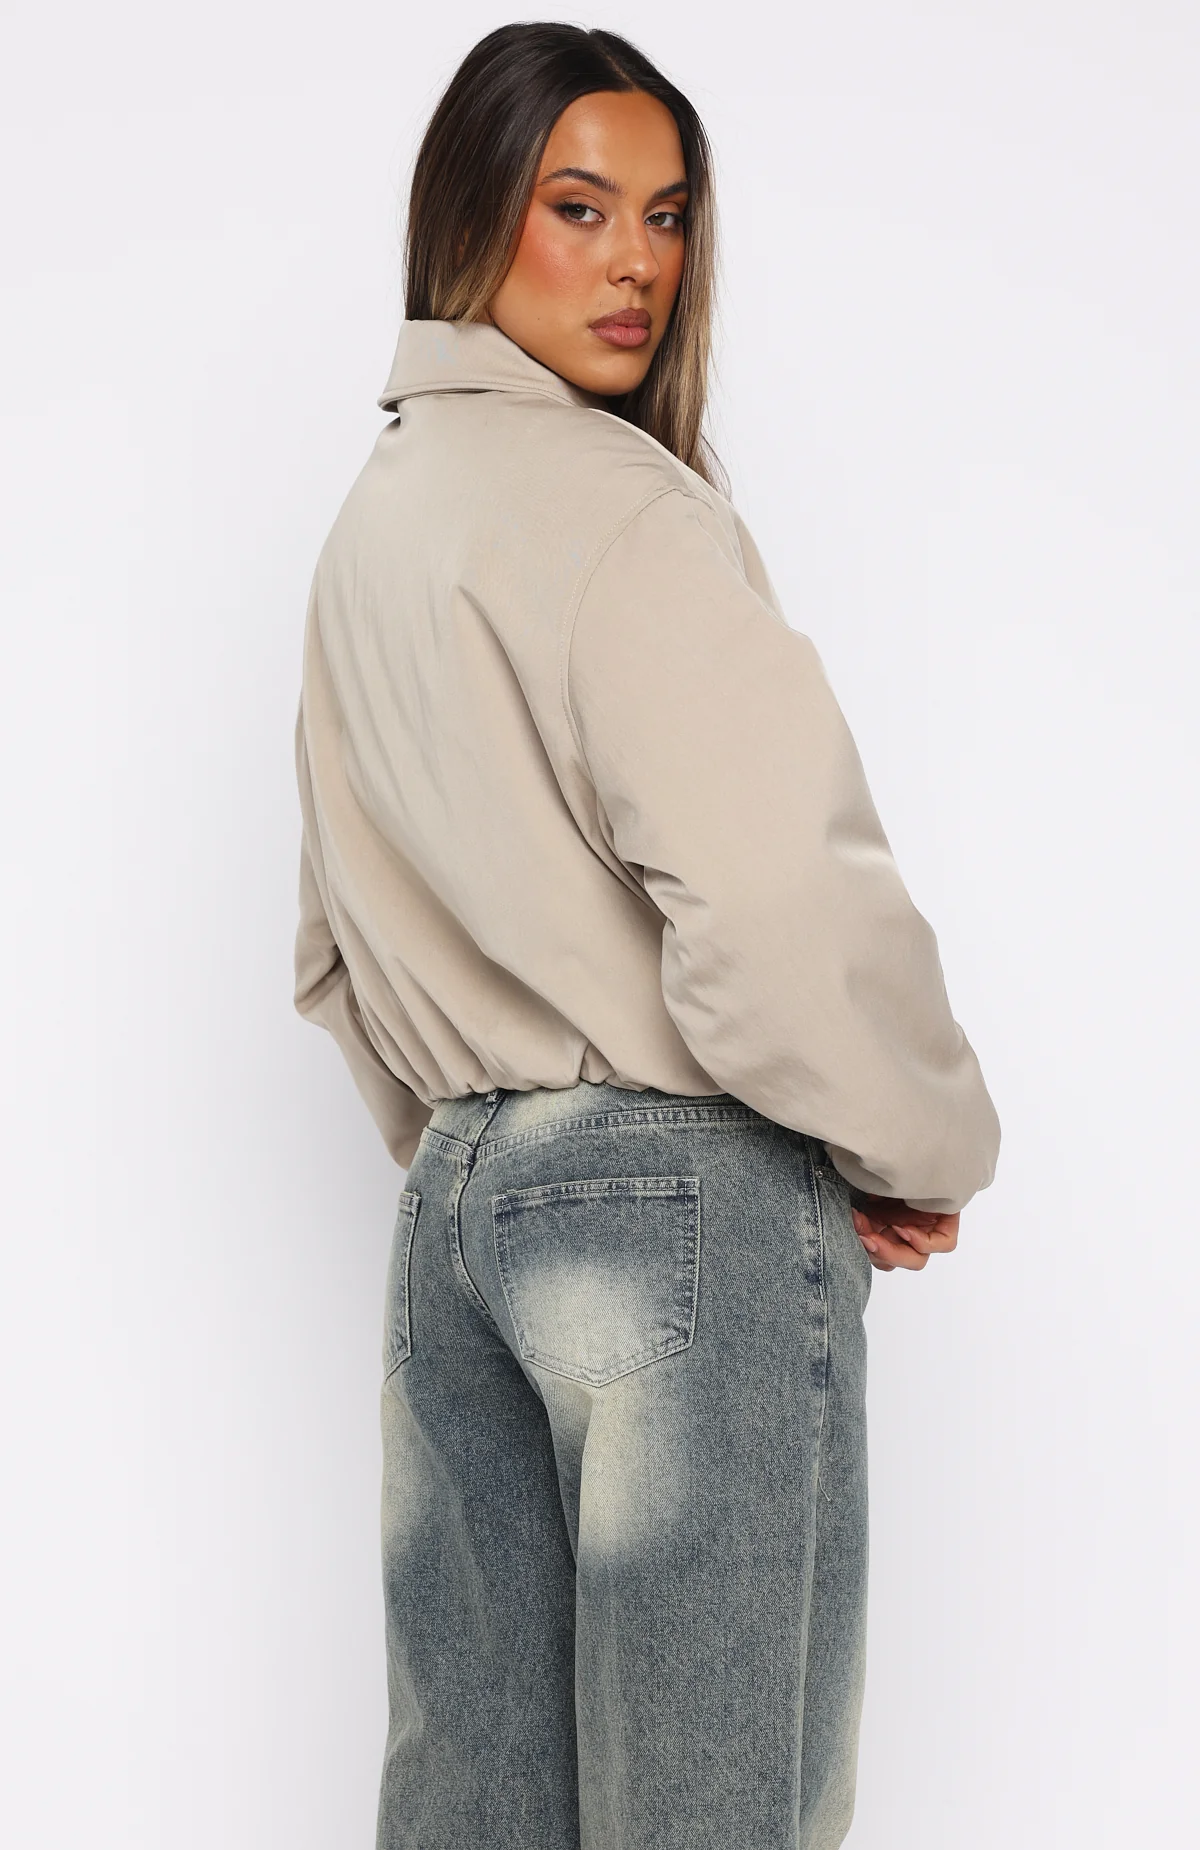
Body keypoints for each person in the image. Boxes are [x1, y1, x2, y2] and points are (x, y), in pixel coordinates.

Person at [292, 22, 1000, 1850]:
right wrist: (909, 1144)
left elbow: (331, 949)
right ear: (472, 218)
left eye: (666, 215)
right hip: (682, 1210)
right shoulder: (619, 509)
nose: (634, 264)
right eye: (580, 207)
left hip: (454, 1217)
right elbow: (774, 899)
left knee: (473, 1812)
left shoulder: (370, 534)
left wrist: (497, 1144)